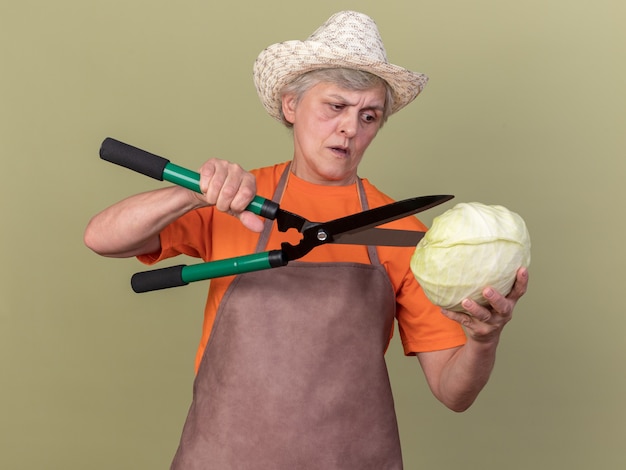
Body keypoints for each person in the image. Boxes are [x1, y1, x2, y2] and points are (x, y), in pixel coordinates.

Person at [84, 11, 528, 469]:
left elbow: (453, 392)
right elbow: (101, 238)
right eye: (335, 106)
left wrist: (483, 339)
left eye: (368, 115)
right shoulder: (235, 202)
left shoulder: (403, 236)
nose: (350, 128)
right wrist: (190, 194)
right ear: (291, 106)